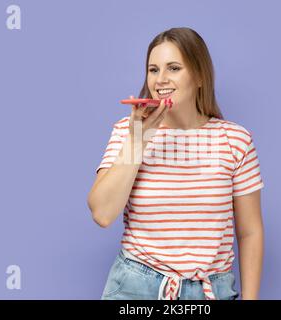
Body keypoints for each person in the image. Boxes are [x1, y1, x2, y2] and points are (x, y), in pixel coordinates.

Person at [87, 27, 265, 300]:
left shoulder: (235, 139)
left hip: (210, 292)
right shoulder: (128, 131)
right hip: (136, 290)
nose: (161, 80)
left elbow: (250, 231)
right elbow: (102, 213)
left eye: (173, 68)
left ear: (200, 76)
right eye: (153, 70)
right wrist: (139, 138)